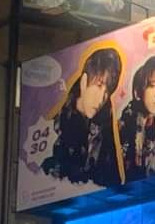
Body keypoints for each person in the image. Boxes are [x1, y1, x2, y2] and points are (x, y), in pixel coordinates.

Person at [43, 43, 125, 185]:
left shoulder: (105, 125)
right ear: (84, 81)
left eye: (107, 91)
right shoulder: (55, 126)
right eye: (99, 85)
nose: (102, 98)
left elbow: (112, 180)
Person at [118, 55, 155, 181]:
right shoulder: (128, 119)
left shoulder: (150, 119)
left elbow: (149, 164)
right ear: (138, 92)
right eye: (152, 85)